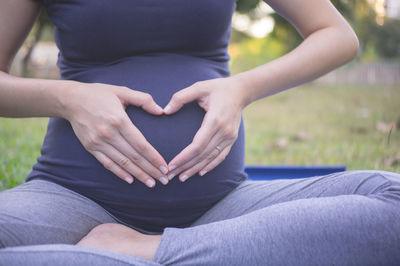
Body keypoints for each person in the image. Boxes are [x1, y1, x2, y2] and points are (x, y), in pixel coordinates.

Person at [0, 0, 399, 265]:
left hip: (224, 206)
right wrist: (67, 97)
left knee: (392, 200)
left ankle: (147, 252)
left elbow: (336, 36)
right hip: (73, 200)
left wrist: (241, 88)